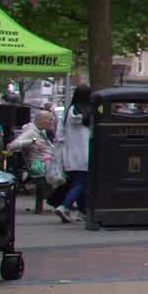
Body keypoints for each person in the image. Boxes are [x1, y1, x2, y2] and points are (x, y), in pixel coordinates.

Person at [54, 87, 92, 224]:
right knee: (82, 183)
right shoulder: (89, 113)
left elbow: (60, 134)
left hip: (70, 154)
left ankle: (82, 212)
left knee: (79, 183)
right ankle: (65, 206)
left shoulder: (68, 112)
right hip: (85, 154)